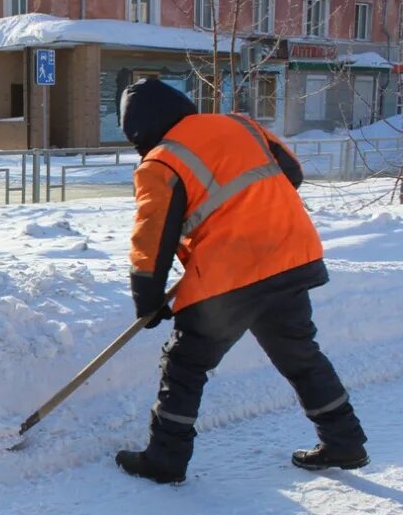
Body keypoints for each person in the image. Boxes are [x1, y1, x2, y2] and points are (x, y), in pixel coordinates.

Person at [114, 78, 368, 484]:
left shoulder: (162, 161)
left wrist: (147, 297)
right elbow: (292, 173)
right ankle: (345, 441)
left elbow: (153, 235)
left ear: (139, 130)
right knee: (301, 355)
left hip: (231, 276)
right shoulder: (241, 125)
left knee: (186, 363)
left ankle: (165, 458)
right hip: (287, 254)